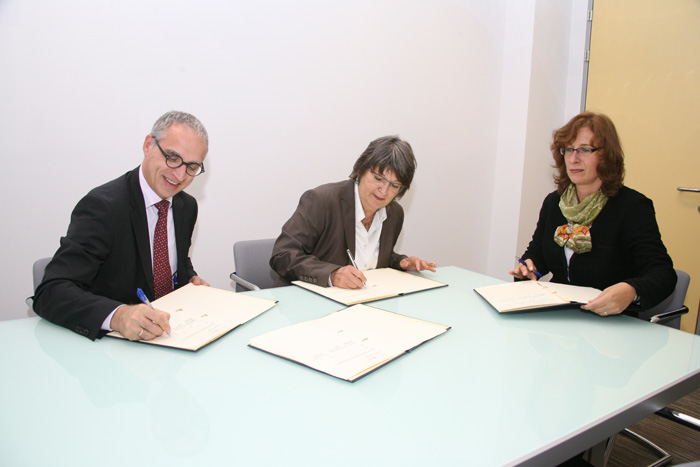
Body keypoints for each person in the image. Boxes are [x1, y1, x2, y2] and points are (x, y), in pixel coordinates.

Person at [34, 111, 210, 341]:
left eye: (192, 166)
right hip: (110, 348)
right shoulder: (103, 207)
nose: (179, 175)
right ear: (148, 145)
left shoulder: (186, 206)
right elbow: (51, 292)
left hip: (167, 339)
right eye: (172, 157)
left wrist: (190, 281)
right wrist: (117, 315)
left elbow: (174, 265)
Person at [510, 112, 676, 317]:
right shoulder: (554, 202)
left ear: (607, 155)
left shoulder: (633, 207)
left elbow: (663, 273)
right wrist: (527, 268)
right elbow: (538, 255)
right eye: (568, 149)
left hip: (610, 323)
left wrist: (632, 290)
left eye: (585, 150)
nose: (573, 158)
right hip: (560, 315)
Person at [270, 135, 436, 289]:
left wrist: (400, 263)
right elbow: (282, 255)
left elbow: (368, 258)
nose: (384, 191)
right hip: (308, 304)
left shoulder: (394, 214)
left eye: (394, 185)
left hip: (359, 307)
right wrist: (332, 274)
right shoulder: (321, 201)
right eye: (379, 178)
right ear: (361, 170)